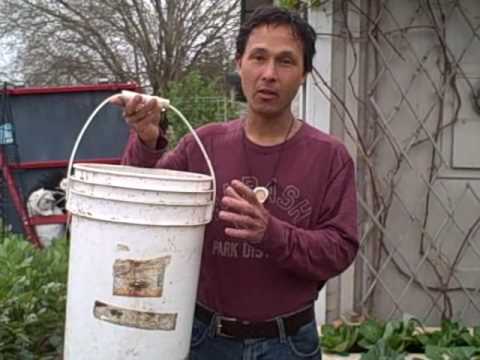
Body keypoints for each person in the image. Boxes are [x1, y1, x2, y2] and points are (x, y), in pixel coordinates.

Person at [113, 6, 358, 360]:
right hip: (205, 340)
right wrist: (148, 141)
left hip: (288, 343)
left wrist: (271, 233)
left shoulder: (329, 156)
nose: (269, 74)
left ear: (305, 73)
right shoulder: (203, 146)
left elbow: (340, 250)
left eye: (286, 61)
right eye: (258, 57)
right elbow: (140, 205)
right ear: (238, 63)